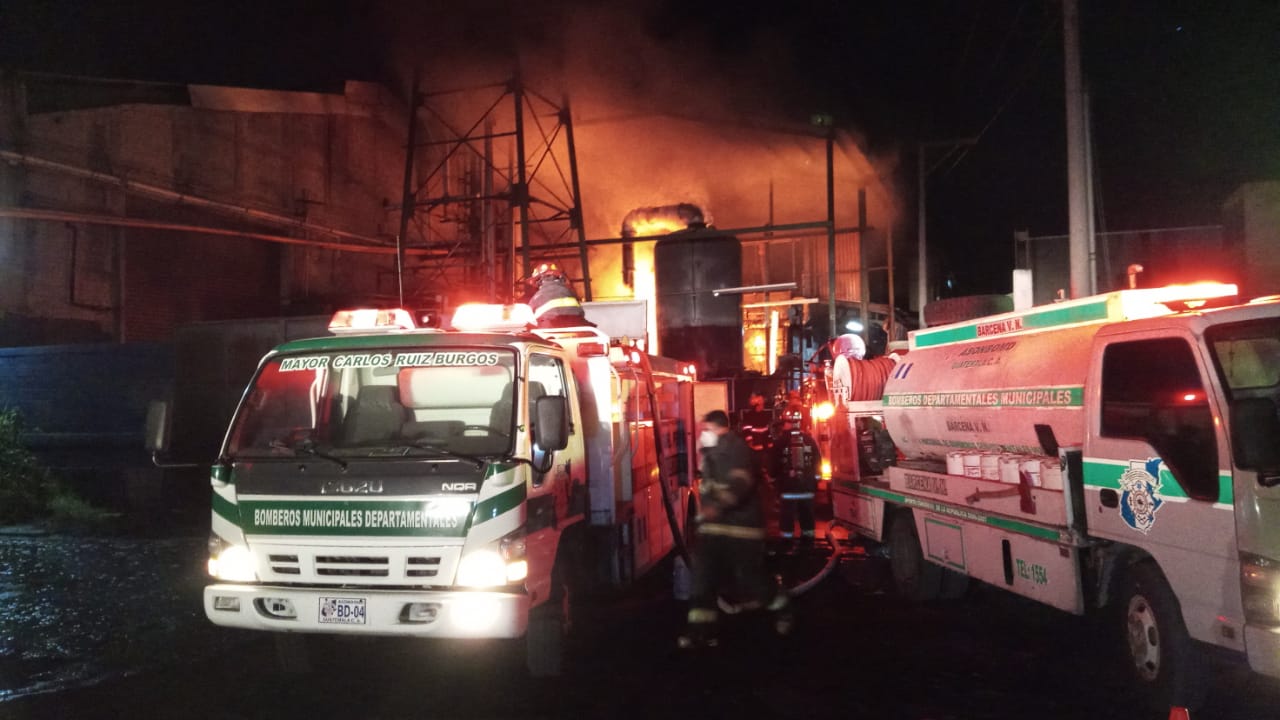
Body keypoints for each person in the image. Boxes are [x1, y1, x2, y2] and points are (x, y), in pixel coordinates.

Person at [679, 410, 792, 649]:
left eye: (706, 429)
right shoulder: (711, 453)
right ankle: (701, 632)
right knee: (702, 580)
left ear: (719, 428)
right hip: (714, 530)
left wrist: (717, 507)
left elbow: (740, 483)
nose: (703, 434)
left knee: (750, 581)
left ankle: (781, 605)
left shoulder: (736, 450)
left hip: (742, 529)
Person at [768, 412, 821, 546]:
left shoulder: (780, 442)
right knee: (807, 515)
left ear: (787, 424)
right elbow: (817, 462)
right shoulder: (809, 440)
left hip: (787, 489)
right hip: (807, 488)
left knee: (787, 516)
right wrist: (815, 482)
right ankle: (808, 543)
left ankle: (787, 543)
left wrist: (774, 481)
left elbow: (773, 465)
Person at [523, 262, 592, 328]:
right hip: (578, 329)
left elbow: (529, 319)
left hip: (548, 331)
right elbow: (581, 312)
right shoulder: (569, 293)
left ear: (539, 281)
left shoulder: (537, 297)